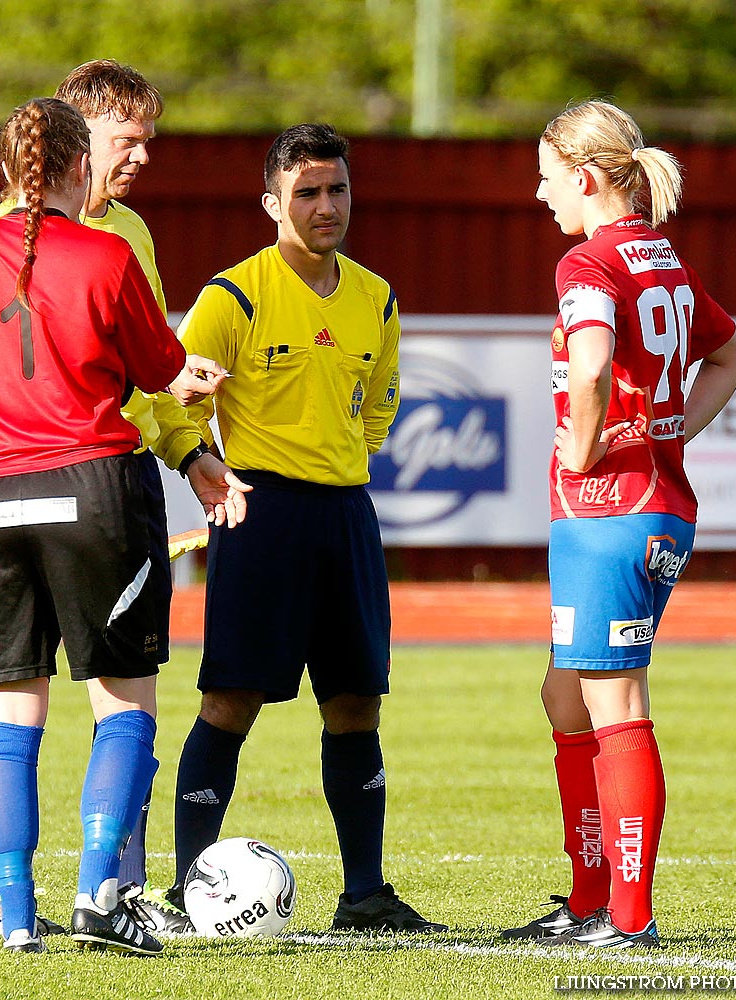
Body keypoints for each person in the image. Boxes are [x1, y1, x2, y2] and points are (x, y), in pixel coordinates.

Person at [0, 97, 203, 955]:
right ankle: (101, 894)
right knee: (124, 698)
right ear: (76, 167)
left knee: (14, 710)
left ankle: (16, 918)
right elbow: (159, 366)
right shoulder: (107, 254)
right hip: (93, 489)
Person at [0, 59, 244, 940]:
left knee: (59, 698)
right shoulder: (11, 237)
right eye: (129, 142)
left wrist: (190, 452)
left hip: (54, 482)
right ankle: (21, 893)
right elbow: (151, 365)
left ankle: (95, 894)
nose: (142, 160)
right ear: (77, 138)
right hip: (82, 484)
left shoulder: (130, 234)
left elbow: (144, 374)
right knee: (78, 698)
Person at [164, 123, 446, 933]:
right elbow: (163, 394)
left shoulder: (377, 297)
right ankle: (190, 891)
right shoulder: (233, 296)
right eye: (308, 192)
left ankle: (364, 896)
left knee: (356, 703)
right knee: (231, 700)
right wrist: (198, 459)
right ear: (271, 203)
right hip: (262, 514)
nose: (327, 206)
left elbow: (381, 399)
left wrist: (345, 456)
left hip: (346, 515)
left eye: (338, 190)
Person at [502, 100, 736, 950]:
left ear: (582, 176)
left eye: (545, 179)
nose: (541, 197)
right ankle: (585, 898)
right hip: (645, 504)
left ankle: (629, 917)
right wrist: (671, 428)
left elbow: (597, 361)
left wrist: (579, 449)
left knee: (615, 704)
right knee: (564, 695)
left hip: (611, 510)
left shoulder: (589, 263)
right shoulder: (663, 257)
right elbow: (732, 355)